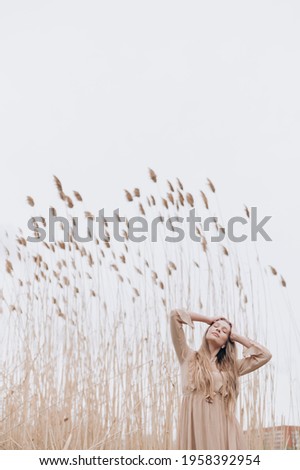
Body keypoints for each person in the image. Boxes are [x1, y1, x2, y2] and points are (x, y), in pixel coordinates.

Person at [170, 308, 272, 450]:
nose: (218, 330)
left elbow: (265, 355)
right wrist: (208, 319)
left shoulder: (232, 367)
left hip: (222, 428)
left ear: (225, 342)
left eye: (224, 331)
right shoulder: (187, 357)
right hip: (194, 426)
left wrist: (236, 337)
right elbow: (175, 315)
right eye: (215, 327)